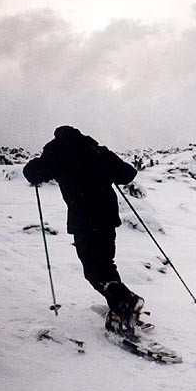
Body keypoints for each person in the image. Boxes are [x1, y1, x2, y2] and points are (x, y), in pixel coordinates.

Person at [23, 125, 144, 338]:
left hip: (84, 219)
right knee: (105, 263)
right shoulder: (97, 150)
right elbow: (127, 174)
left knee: (93, 269)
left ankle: (125, 301)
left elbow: (32, 173)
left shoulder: (57, 152)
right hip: (107, 218)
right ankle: (119, 307)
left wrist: (40, 161)